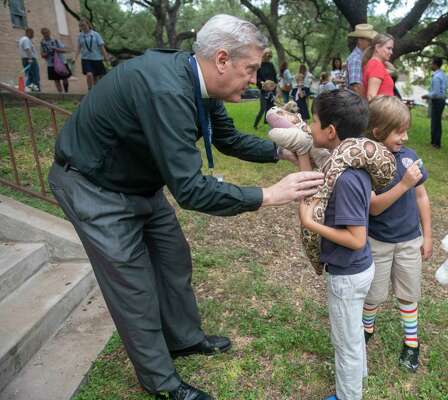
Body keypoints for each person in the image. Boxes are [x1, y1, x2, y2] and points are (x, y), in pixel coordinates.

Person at [48, 14, 323, 400]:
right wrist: (269, 195)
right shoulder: (166, 91)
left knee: (173, 259)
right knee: (135, 287)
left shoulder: (198, 82)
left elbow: (226, 138)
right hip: (95, 188)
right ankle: (161, 382)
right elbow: (192, 191)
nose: (254, 80)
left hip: (140, 184)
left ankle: (183, 339)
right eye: (251, 69)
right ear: (222, 59)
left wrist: (281, 151)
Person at [298, 89, 373, 400]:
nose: (310, 126)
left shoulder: (346, 179)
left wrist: (311, 224)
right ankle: (360, 376)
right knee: (353, 332)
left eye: (313, 121)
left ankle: (348, 395)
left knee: (346, 342)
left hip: (347, 273)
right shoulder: (343, 165)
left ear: (330, 131)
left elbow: (357, 238)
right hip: (357, 269)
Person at [361, 96, 432, 372]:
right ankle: (367, 329)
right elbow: (374, 208)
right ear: (378, 132)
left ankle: (412, 342)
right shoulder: (366, 163)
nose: (405, 137)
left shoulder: (410, 157)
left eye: (406, 130)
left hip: (409, 240)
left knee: (408, 292)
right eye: (399, 131)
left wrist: (427, 235)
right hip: (377, 242)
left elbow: (422, 196)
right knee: (374, 294)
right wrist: (404, 184)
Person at [75, 18, 109, 91]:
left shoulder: (95, 34)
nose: (82, 27)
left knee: (96, 77)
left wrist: (106, 57)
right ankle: (90, 91)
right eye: (80, 26)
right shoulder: (80, 36)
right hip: (86, 59)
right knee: (89, 75)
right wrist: (75, 58)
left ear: (88, 24)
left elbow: (101, 46)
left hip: (97, 58)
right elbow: (78, 48)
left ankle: (95, 93)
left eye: (83, 25)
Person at [422, 57, 448, 149]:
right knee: (437, 121)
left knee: (435, 122)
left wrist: (427, 95)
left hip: (437, 100)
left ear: (435, 65)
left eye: (431, 63)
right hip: (441, 100)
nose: (430, 65)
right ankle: (435, 142)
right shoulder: (443, 75)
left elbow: (435, 93)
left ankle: (436, 143)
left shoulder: (436, 77)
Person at [345, 24, 377, 97]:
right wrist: (365, 105)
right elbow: (356, 87)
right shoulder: (356, 59)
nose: (371, 43)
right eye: (369, 40)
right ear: (360, 40)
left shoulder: (362, 57)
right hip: (358, 104)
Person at [362, 33, 395, 100]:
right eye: (388, 48)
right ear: (377, 47)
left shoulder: (374, 64)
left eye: (391, 49)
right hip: (380, 110)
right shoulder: (376, 65)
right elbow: (371, 97)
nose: (391, 52)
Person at [40, 27, 71, 93]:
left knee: (64, 78)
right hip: (51, 64)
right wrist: (47, 53)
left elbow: (64, 50)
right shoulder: (42, 43)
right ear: (42, 34)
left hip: (61, 62)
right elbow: (42, 55)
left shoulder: (55, 40)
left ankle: (66, 92)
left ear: (49, 32)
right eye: (44, 33)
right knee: (56, 79)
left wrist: (56, 49)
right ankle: (60, 94)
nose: (46, 34)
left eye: (47, 33)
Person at [253, 48, 278, 129]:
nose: (268, 57)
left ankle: (272, 126)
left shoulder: (271, 65)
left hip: (272, 90)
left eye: (269, 56)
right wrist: (262, 84)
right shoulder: (259, 65)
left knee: (272, 108)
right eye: (267, 55)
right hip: (264, 90)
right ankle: (255, 125)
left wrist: (275, 87)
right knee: (263, 108)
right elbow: (257, 78)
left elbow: (274, 77)